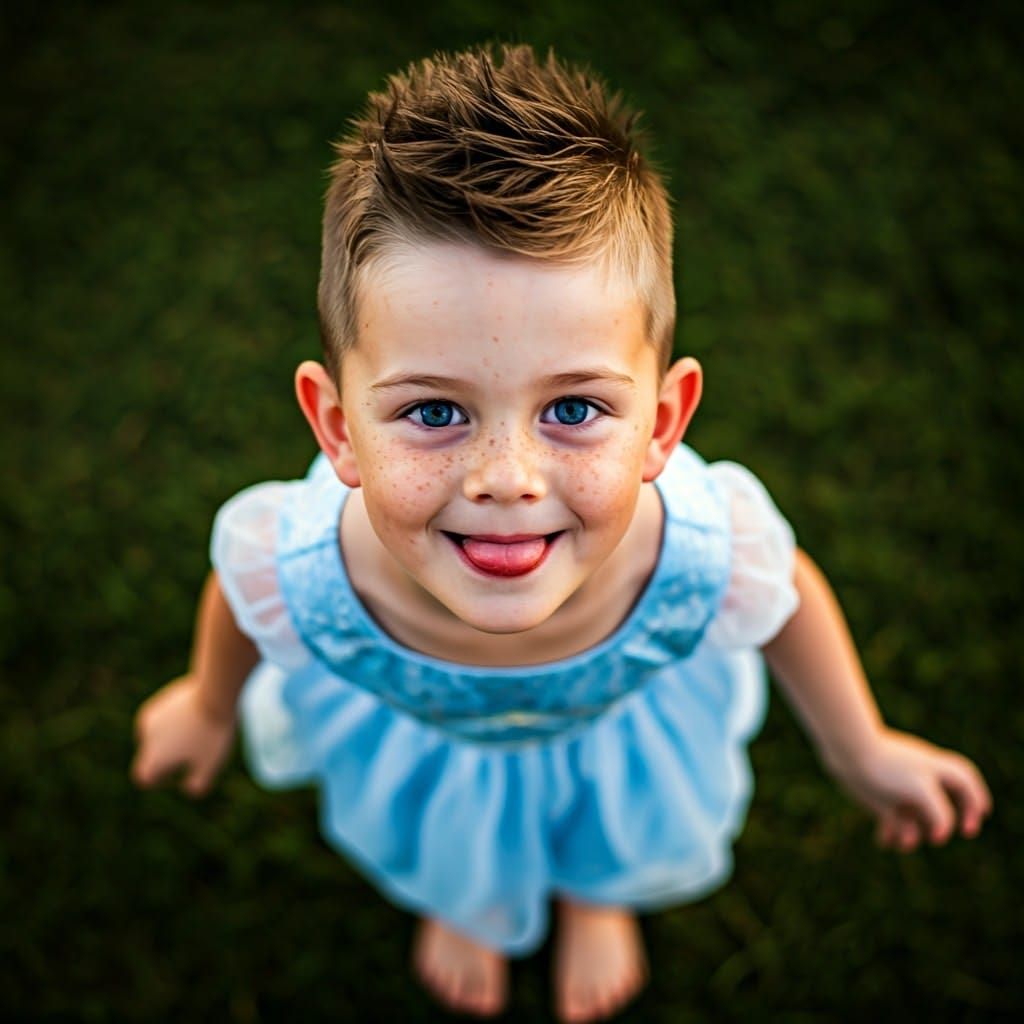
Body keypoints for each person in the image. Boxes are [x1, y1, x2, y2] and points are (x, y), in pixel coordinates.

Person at [131, 45, 992, 1022]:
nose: (505, 480)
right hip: (430, 749)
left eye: (573, 410)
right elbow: (242, 604)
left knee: (616, 821)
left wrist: (858, 745)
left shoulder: (697, 553)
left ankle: (596, 893)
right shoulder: (307, 566)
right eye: (434, 412)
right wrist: (208, 705)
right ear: (336, 426)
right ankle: (465, 902)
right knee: (444, 838)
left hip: (618, 738)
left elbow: (788, 598)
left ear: (664, 423)